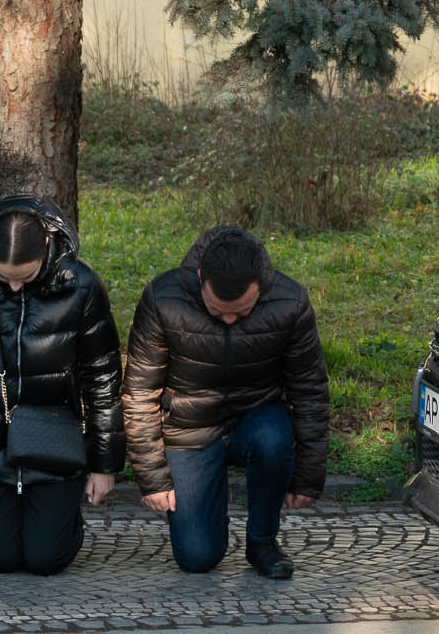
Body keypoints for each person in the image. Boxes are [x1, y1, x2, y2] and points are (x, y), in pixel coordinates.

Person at [0, 196, 124, 574]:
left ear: (47, 246)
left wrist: (104, 465)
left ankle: (58, 517)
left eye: (26, 277)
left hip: (55, 443)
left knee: (47, 559)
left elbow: (103, 377)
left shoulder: (81, 286)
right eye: (3, 276)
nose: (14, 287)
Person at [122, 224, 329, 579]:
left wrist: (308, 477)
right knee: (197, 557)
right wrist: (153, 478)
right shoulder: (163, 298)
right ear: (201, 278)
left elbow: (309, 390)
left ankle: (262, 542)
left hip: (257, 419)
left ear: (260, 287)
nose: (230, 319)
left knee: (273, 439)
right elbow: (140, 391)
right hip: (189, 428)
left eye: (242, 311)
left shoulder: (290, 301)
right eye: (218, 312)